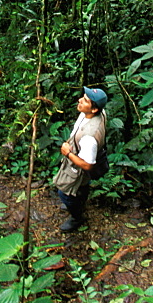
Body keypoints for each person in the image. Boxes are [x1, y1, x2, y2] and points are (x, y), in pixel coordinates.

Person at [54, 86, 107, 233]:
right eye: (82, 97)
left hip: (78, 167)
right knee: (81, 188)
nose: (80, 100)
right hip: (79, 152)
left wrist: (67, 153)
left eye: (85, 100)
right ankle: (78, 202)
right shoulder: (97, 113)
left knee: (64, 193)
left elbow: (88, 165)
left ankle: (76, 216)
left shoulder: (90, 137)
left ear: (94, 109)